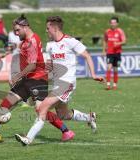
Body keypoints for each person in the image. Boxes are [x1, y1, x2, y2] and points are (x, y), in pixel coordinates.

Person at [15, 16, 103, 146]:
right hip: (57, 84)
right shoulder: (50, 45)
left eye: (48, 28)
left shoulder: (70, 41)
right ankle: (89, 117)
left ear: (55, 28)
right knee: (63, 115)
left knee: (42, 108)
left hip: (67, 83)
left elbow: (87, 56)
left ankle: (28, 139)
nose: (46, 31)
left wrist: (94, 74)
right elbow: (50, 67)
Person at [0, 14, 75, 142]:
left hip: (38, 79)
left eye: (17, 30)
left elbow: (32, 65)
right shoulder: (25, 41)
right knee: (7, 102)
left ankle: (66, 131)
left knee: (40, 109)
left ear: (25, 27)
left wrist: (17, 77)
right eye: (14, 30)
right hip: (27, 79)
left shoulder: (32, 41)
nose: (15, 33)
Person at [103, 16, 126, 90]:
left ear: (117, 23)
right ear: (110, 23)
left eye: (114, 22)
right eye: (111, 23)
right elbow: (104, 40)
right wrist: (103, 50)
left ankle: (115, 85)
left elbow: (124, 41)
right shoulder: (107, 31)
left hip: (117, 53)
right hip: (109, 53)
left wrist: (118, 44)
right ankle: (108, 84)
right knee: (109, 67)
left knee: (115, 69)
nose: (113, 24)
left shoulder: (120, 31)